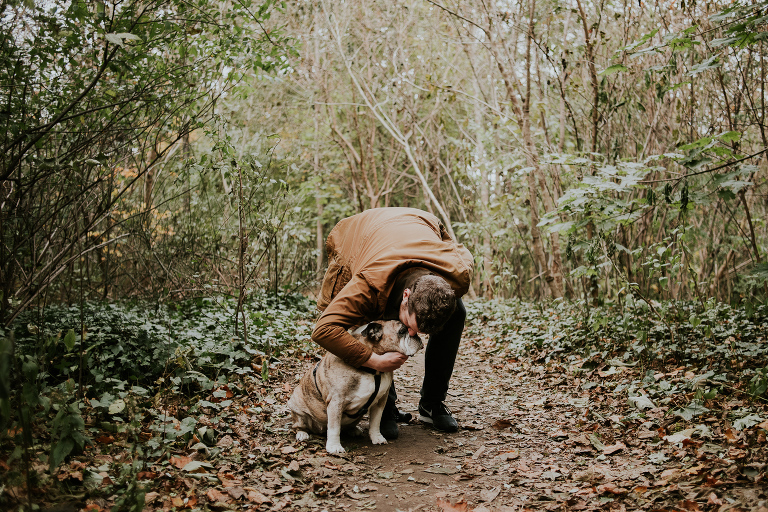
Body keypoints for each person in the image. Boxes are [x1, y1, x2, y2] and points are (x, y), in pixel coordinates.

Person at [312, 207, 474, 439]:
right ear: (406, 296)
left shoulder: (457, 274)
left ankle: (432, 403)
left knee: (456, 312)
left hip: (421, 222)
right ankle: (385, 405)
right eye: (410, 325)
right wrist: (374, 360)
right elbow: (323, 330)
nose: (411, 333)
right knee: (370, 323)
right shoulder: (367, 285)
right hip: (361, 235)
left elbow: (448, 244)